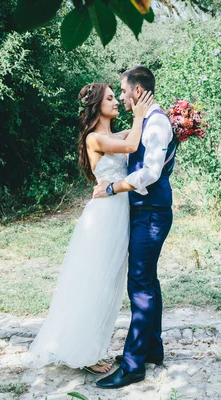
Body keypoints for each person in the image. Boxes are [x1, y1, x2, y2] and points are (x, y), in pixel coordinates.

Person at [24, 83, 154, 374]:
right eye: (111, 98)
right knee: (97, 280)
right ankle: (84, 351)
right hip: (104, 216)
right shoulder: (95, 138)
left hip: (119, 212)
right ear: (97, 105)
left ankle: (92, 345)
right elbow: (132, 145)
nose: (117, 101)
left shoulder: (110, 135)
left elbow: (135, 138)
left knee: (109, 281)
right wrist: (139, 114)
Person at [94, 66, 177, 389]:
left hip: (152, 213)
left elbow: (151, 172)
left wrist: (114, 187)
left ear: (138, 91)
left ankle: (133, 366)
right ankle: (151, 349)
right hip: (146, 211)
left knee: (139, 285)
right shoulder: (147, 120)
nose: (123, 97)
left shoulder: (156, 123)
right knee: (148, 281)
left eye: (125, 91)